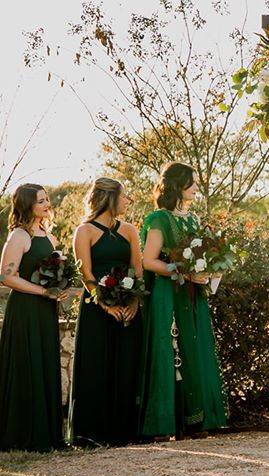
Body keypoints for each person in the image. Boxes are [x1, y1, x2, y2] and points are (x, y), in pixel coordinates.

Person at [139, 162, 227, 439]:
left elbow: (202, 256)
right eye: (192, 182)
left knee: (194, 350)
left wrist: (206, 272)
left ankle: (196, 420)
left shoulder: (194, 219)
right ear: (178, 185)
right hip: (169, 294)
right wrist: (181, 272)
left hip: (193, 295)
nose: (196, 187)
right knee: (170, 351)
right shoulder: (158, 219)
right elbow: (148, 261)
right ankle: (165, 423)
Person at [69, 178, 145, 446]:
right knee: (95, 366)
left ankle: (124, 432)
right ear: (110, 199)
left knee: (126, 367)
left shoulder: (130, 231)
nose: (128, 201)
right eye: (124, 196)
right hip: (96, 309)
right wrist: (106, 304)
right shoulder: (84, 231)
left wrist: (133, 303)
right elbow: (85, 274)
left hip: (128, 308)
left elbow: (138, 270)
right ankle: (90, 434)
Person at [0, 184, 70, 451]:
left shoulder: (47, 235)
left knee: (44, 364)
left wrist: (59, 289)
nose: (46, 204)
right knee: (27, 364)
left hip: (45, 310)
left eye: (47, 199)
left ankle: (48, 435)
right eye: (40, 200)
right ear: (27, 205)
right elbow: (6, 276)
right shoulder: (19, 235)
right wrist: (43, 290)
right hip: (26, 310)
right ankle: (22, 435)